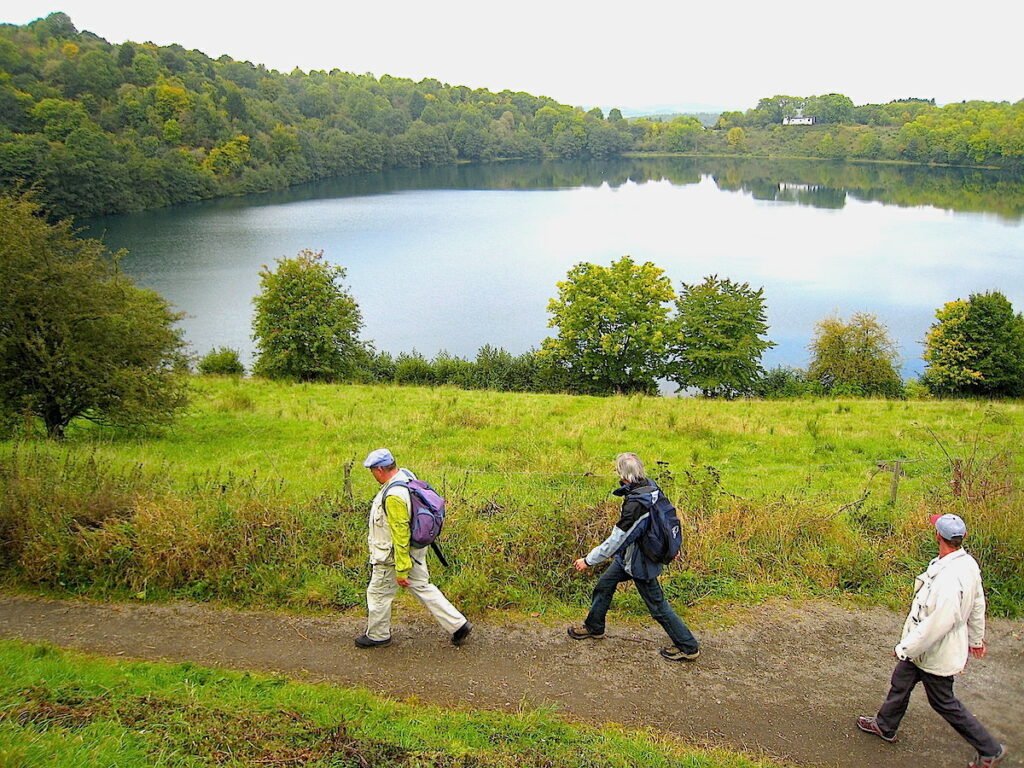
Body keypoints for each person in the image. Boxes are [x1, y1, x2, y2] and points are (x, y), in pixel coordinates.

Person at [857, 513, 1006, 768]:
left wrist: (905, 648)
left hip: (936, 650)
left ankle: (989, 748)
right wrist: (976, 639)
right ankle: (885, 726)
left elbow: (937, 624)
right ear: (963, 537)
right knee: (901, 682)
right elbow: (978, 603)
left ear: (938, 536)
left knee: (944, 702)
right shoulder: (965, 564)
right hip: (924, 648)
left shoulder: (950, 578)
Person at [567, 452, 700, 662]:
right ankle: (594, 627)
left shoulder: (636, 505)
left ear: (623, 475)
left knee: (658, 607)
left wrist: (588, 560)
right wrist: (673, 547)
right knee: (604, 585)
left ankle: (688, 646)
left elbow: (616, 541)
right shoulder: (650, 488)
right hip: (628, 558)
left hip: (641, 562)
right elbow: (668, 520)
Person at [354, 448, 472, 648]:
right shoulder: (406, 476)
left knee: (378, 594)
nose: (372, 474)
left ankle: (378, 635)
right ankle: (458, 625)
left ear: (381, 469)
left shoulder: (393, 496)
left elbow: (400, 534)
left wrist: (401, 568)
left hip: (392, 556)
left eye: (373, 470)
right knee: (423, 586)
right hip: (415, 552)